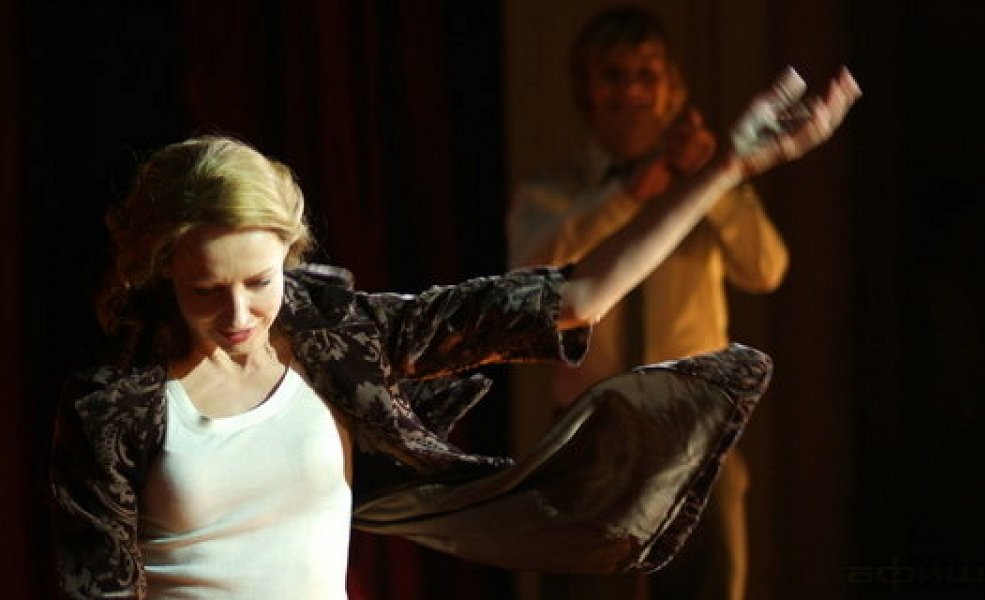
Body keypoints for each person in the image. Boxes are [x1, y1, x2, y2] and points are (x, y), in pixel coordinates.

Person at [48, 64, 859, 598]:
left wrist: (727, 166)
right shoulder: (112, 403)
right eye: (205, 290)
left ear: (291, 257)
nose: (236, 316)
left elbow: (575, 296)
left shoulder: (338, 341)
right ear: (161, 271)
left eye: (259, 283)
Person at [506, 7, 792, 599]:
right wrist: (628, 193)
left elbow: (766, 269)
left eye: (647, 75)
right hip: (591, 432)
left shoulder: (708, 182)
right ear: (585, 92)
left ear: (672, 90)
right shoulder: (552, 193)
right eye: (613, 76)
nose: (632, 92)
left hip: (694, 427)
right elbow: (527, 276)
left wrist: (715, 180)